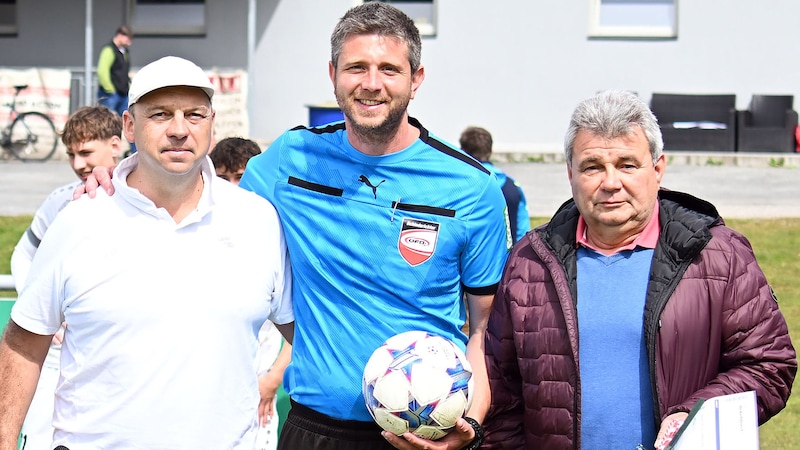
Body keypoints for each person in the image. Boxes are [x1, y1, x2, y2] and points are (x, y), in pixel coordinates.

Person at [238, 3, 510, 449]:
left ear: (416, 79)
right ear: (332, 74)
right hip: (315, 429)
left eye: (389, 68)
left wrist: (474, 424)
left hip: (428, 434)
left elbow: (486, 328)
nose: (371, 83)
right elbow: (206, 202)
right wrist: (112, 179)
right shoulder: (290, 160)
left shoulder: (471, 188)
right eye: (356, 67)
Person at [0, 56, 294, 449]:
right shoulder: (79, 221)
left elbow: (308, 337)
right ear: (129, 126)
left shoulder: (258, 221)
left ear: (211, 124)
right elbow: (23, 343)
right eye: (160, 114)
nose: (179, 130)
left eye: (194, 115)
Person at [482, 90, 797, 449]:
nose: (611, 183)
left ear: (658, 169)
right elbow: (502, 393)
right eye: (592, 167)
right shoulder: (530, 262)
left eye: (627, 165)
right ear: (571, 173)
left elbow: (769, 365)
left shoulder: (718, 255)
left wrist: (696, 414)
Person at [9, 105, 123, 450]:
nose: (78, 164)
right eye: (71, 154)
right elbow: (22, 255)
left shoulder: (149, 198)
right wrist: (46, 314)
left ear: (116, 144)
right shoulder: (60, 202)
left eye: (86, 152)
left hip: (117, 356)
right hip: (60, 356)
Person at [209, 135, 290, 450]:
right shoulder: (197, 229)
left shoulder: (275, 231)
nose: (232, 186)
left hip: (258, 390)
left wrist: (271, 381)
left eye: (240, 176)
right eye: (222, 178)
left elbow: (300, 324)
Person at [459, 126, 531, 243]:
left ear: (462, 151)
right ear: (491, 151)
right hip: (506, 259)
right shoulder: (512, 186)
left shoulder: (459, 185)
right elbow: (523, 232)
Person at [96, 25, 132, 119]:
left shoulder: (125, 52)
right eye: (127, 39)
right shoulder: (109, 50)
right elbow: (102, 71)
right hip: (110, 94)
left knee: (125, 120)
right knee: (106, 120)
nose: (129, 43)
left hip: (123, 93)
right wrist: (110, 89)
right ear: (120, 35)